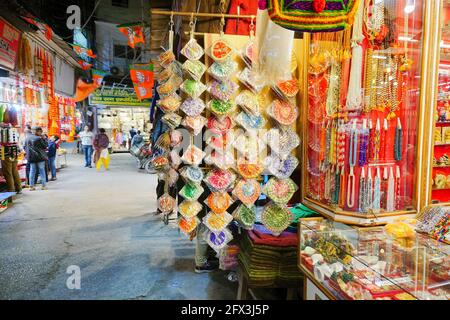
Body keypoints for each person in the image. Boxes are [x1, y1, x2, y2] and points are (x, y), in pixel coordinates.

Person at [25, 126, 48, 191]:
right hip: (39, 157)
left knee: (32, 171)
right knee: (42, 171)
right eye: (40, 132)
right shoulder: (38, 138)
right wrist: (44, 138)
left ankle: (31, 186)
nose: (41, 133)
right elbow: (45, 146)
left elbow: (25, 147)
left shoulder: (27, 138)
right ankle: (43, 186)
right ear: (37, 131)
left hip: (31, 158)